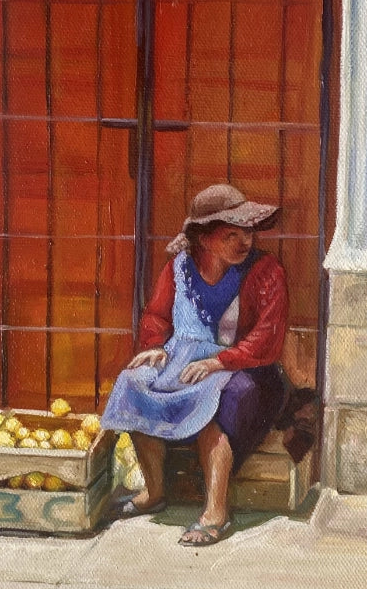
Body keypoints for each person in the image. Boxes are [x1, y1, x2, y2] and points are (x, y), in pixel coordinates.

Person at [101, 183, 288, 546]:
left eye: (246, 232)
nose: (243, 242)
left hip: (249, 368)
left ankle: (215, 512)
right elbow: (157, 316)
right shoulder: (179, 269)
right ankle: (154, 492)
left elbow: (267, 338)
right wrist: (154, 347)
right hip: (183, 359)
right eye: (230, 234)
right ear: (204, 238)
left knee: (217, 406)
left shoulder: (266, 272)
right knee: (135, 383)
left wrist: (218, 361)